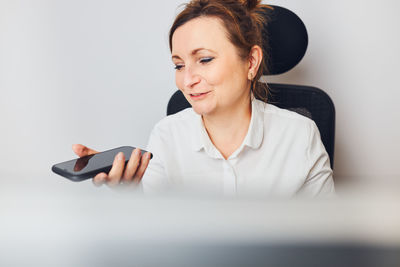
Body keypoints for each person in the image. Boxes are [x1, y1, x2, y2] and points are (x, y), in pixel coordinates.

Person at [73, 0, 335, 197]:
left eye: (205, 59)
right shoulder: (167, 136)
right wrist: (130, 195)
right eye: (179, 65)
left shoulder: (300, 136)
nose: (187, 81)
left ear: (251, 62)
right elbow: (157, 238)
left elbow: (325, 243)